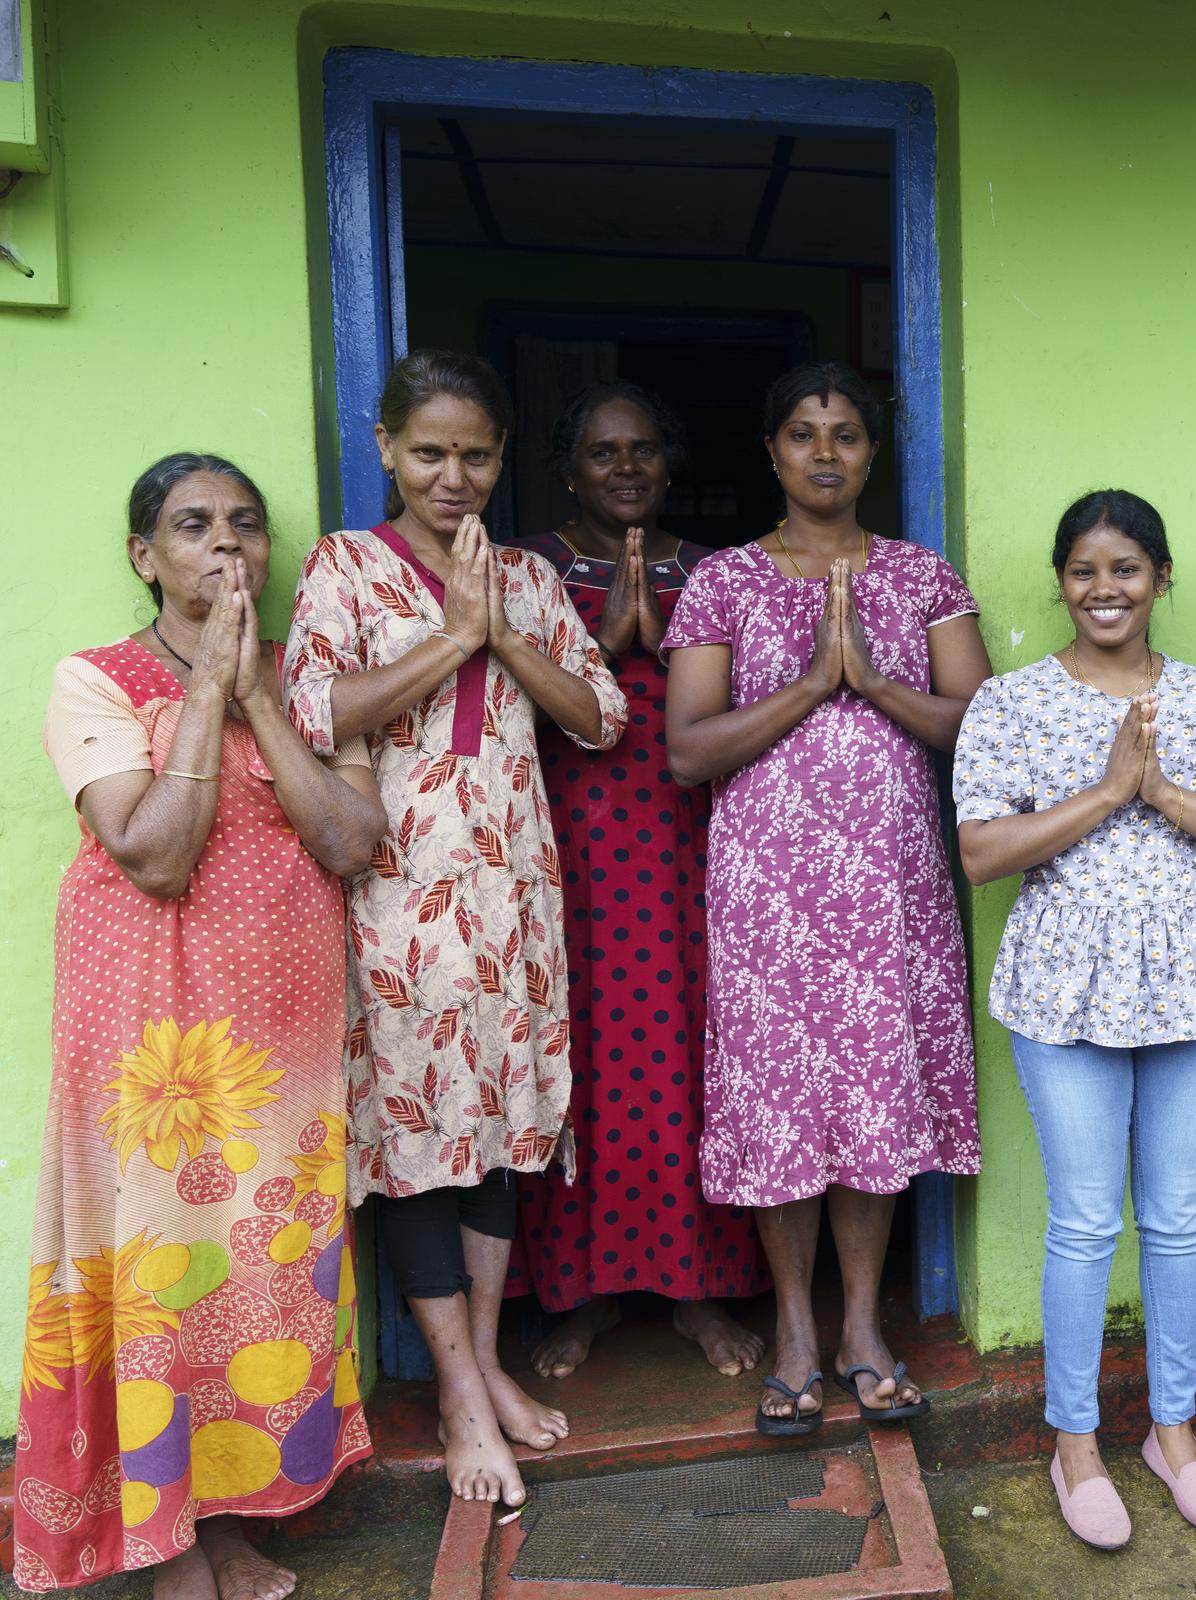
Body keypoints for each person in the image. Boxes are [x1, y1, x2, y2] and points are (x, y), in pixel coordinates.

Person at [18, 454, 385, 1599]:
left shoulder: (312, 679)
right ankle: (164, 1540)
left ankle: (231, 1521)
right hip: (156, 1048)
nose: (227, 546)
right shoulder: (98, 679)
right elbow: (157, 852)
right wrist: (208, 698)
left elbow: (348, 841)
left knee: (257, 1277)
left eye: (245, 525)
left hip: (282, 1045)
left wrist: (263, 699)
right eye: (192, 525)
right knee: (159, 1277)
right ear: (146, 555)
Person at [283, 350, 627, 1509]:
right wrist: (447, 642)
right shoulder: (345, 566)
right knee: (422, 1143)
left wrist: (501, 632)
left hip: (514, 901)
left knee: (497, 1129)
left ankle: (481, 1361)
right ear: (385, 447)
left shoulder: (526, 576)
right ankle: (459, 1392)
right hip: (395, 899)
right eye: (428, 451)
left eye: (475, 453)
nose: (453, 474)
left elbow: (600, 716)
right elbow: (313, 707)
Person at [956, 490, 1196, 1549]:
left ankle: (1175, 1432)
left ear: (1161, 577)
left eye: (1127, 569)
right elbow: (981, 853)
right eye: (1085, 570)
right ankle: (1076, 1443)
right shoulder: (1009, 703)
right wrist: (1108, 790)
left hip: (1190, 985)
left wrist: (1163, 794)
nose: (1105, 589)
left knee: (1182, 1215)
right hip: (1062, 989)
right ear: (1061, 580)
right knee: (1086, 1219)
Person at [664, 361, 990, 1437]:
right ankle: (796, 1330)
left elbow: (976, 730)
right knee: (783, 1105)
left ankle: (860, 1326)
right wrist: (809, 685)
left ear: (872, 453)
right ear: (770, 450)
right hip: (768, 894)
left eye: (846, 434)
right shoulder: (724, 582)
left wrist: (874, 682)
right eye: (803, 432)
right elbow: (687, 748)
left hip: (888, 890)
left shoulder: (922, 575)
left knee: (871, 1098)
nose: (824, 452)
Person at [500, 382, 768, 1383]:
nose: (626, 468)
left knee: (692, 1052)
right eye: (604, 452)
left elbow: (754, 706)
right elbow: (490, 707)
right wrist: (605, 646)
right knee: (589, 1063)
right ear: (567, 468)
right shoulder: (526, 573)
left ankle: (698, 1289)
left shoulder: (712, 572)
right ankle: (587, 1296)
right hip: (567, 849)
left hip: (693, 846)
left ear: (669, 465)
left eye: (644, 452)